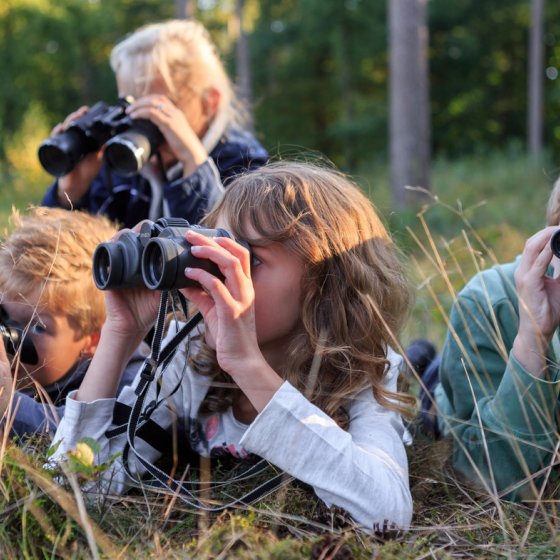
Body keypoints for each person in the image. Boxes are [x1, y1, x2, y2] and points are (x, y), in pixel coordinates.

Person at [49, 161, 415, 531]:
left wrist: (247, 364)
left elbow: (386, 516)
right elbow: (76, 485)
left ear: (324, 286)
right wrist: (120, 334)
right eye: (214, 251)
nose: (220, 274)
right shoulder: (191, 353)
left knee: (422, 379)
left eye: (249, 259)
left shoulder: (368, 372)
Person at [41, 19, 268, 229]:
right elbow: (59, 262)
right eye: (131, 106)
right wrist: (69, 194)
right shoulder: (122, 163)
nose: (144, 122)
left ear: (209, 103)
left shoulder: (247, 167)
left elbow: (233, 254)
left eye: (160, 107)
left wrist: (194, 166)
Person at [422, 176, 560, 500]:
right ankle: (426, 372)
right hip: (458, 394)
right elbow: (485, 474)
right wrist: (533, 336)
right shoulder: (488, 302)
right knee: (435, 402)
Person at [0, 207, 147, 440]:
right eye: (3, 315)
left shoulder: (130, 380)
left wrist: (8, 404)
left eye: (37, 326)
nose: (9, 335)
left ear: (94, 340)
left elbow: (82, 438)